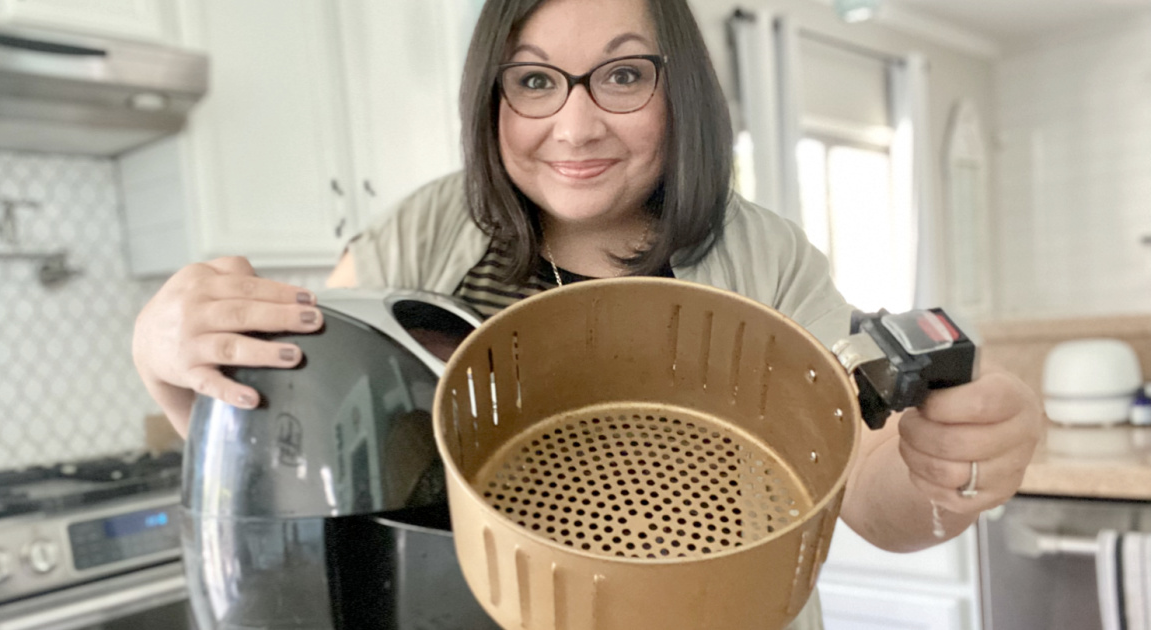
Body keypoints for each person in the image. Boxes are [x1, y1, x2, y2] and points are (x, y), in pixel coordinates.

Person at [132, 0, 1042, 627]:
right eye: (533, 83)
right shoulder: (416, 236)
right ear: (493, 96)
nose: (573, 128)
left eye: (621, 78)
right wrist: (163, 353)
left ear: (677, 87)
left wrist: (946, 472)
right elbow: (294, 445)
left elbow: (874, 493)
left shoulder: (765, 259)